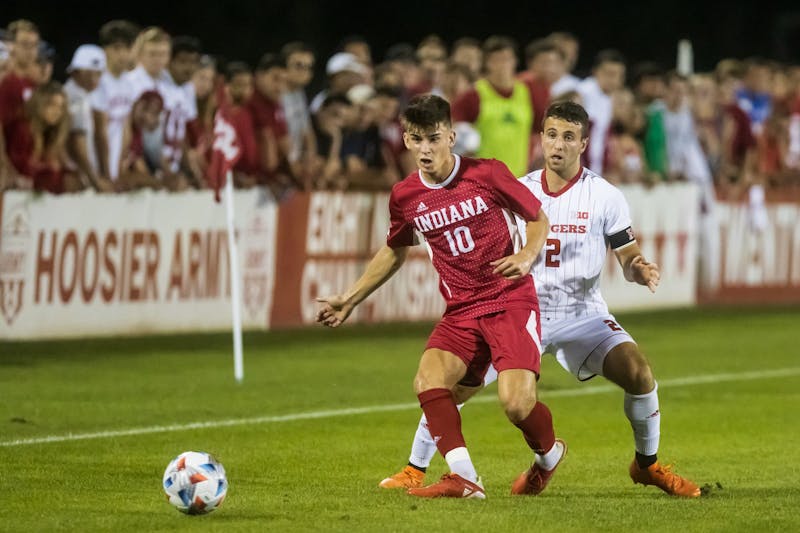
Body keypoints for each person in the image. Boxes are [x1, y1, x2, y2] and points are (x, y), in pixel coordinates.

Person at [379, 101, 701, 498]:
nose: (558, 145)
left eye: (568, 137)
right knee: (452, 389)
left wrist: (639, 268)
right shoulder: (519, 187)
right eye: (551, 135)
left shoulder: (605, 196)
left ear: (584, 143)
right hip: (516, 306)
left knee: (638, 373)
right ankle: (416, 467)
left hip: (581, 313)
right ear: (541, 139)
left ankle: (647, 466)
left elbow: (627, 252)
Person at [317, 94, 563, 499]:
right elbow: (395, 248)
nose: (426, 148)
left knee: (517, 406)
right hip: (461, 310)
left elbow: (537, 217)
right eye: (417, 139)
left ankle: (549, 454)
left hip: (509, 300)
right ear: (407, 140)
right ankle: (465, 477)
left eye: (434, 138)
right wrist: (351, 297)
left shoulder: (487, 174)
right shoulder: (405, 195)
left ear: (451, 136)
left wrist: (526, 255)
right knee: (429, 381)